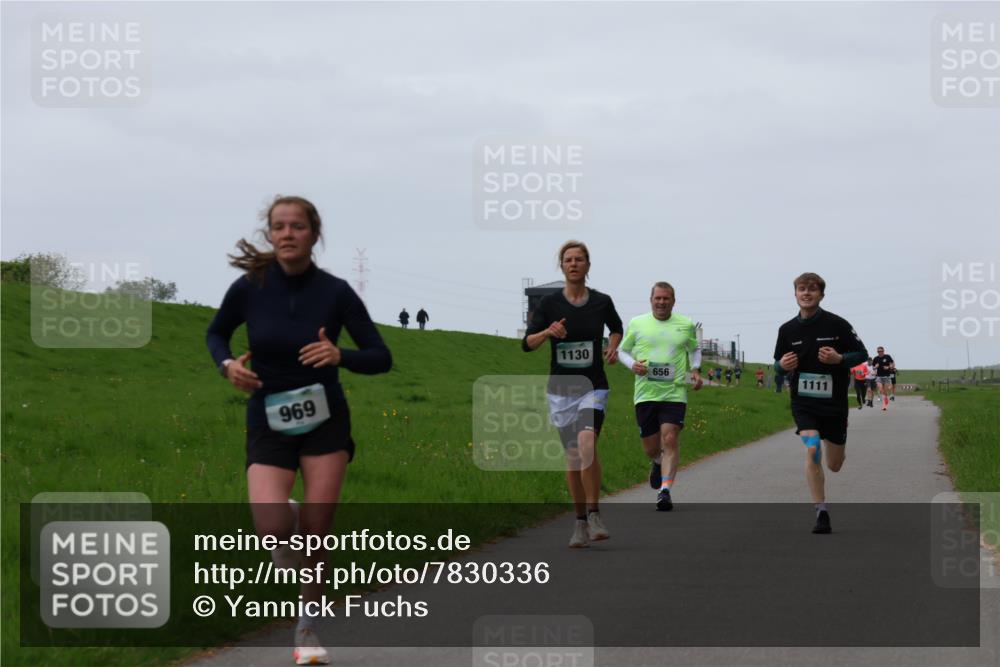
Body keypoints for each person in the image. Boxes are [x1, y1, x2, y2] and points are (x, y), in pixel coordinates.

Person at [206, 195, 392, 665]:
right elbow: (216, 334)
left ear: (314, 234)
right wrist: (227, 365)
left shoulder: (336, 292)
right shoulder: (248, 287)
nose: (287, 233)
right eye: (279, 226)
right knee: (272, 529)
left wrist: (340, 356)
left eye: (297, 226)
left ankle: (307, 631)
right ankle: (289, 530)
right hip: (268, 414)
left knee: (316, 529)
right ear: (269, 234)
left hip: (325, 419)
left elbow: (381, 356)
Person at [522, 240, 623, 548]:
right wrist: (547, 332)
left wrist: (612, 346)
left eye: (580, 259)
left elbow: (617, 328)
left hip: (593, 386)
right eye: (568, 260)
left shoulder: (602, 301)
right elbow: (527, 344)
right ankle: (579, 523)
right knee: (572, 457)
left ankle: (594, 515)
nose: (574, 263)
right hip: (561, 390)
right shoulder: (550, 304)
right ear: (562, 266)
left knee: (586, 441)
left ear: (588, 266)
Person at [773, 272, 867, 534]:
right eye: (801, 289)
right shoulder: (787, 330)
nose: (806, 293)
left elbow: (862, 354)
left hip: (834, 403)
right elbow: (777, 367)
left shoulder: (837, 325)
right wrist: (781, 366)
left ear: (821, 295)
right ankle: (821, 512)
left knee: (834, 465)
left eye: (812, 289)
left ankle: (836, 445)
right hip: (803, 403)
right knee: (812, 447)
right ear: (795, 294)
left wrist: (839, 359)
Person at [617, 282, 703, 511]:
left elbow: (695, 349)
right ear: (651, 300)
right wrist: (632, 364)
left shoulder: (685, 324)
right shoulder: (638, 323)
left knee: (670, 438)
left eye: (666, 298)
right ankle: (657, 462)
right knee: (651, 447)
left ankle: (665, 491)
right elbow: (621, 351)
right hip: (646, 393)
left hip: (674, 392)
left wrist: (695, 369)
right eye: (658, 298)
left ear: (673, 301)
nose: (662, 302)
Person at [872, 346, 895, 411]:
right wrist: (875, 367)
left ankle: (885, 405)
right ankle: (884, 402)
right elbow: (873, 368)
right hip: (879, 376)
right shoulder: (876, 358)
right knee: (880, 388)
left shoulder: (887, 357)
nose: (880, 352)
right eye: (878, 351)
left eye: (881, 351)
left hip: (886, 376)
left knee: (885, 391)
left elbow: (892, 364)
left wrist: (888, 367)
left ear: (883, 351)